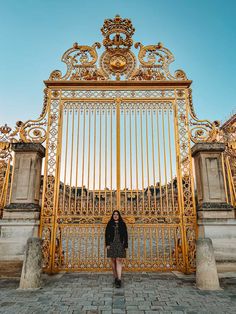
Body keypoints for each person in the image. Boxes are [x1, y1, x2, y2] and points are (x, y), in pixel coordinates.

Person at [105, 210, 128, 288]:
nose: (115, 216)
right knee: (113, 261)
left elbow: (126, 235)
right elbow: (106, 234)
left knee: (119, 260)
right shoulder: (109, 223)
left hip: (120, 244)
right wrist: (107, 244)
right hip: (112, 244)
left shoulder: (122, 224)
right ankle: (115, 277)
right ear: (112, 215)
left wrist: (125, 245)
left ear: (119, 216)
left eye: (117, 214)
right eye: (114, 214)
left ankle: (119, 279)